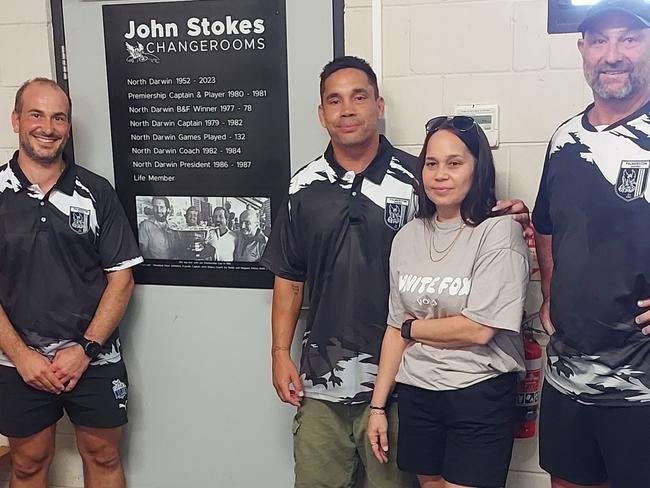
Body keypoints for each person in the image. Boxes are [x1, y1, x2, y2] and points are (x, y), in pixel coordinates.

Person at [261, 56, 529, 488]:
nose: (347, 109)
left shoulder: (417, 179)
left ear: (379, 106)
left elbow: (467, 222)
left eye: (359, 97)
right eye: (335, 100)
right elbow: (290, 277)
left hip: (405, 384)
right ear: (321, 113)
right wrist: (278, 353)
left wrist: (512, 212)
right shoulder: (302, 186)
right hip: (322, 380)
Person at [367, 116, 529, 488]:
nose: (440, 174)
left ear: (478, 168)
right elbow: (394, 329)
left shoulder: (498, 232)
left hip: (478, 394)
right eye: (431, 163)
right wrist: (378, 407)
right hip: (418, 394)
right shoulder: (407, 236)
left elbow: (478, 329)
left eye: (455, 163)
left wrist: (414, 328)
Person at [0, 78, 142, 488]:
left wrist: (84, 350)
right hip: (16, 362)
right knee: (27, 464)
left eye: (59, 117)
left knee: (103, 454)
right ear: (16, 121)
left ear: (69, 126)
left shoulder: (96, 192)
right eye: (37, 115)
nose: (48, 127)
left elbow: (122, 279)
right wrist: (23, 356)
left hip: (93, 358)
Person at [532, 2, 650, 487]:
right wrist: (549, 295)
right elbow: (546, 224)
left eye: (629, 38)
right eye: (599, 41)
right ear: (583, 51)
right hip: (567, 377)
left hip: (641, 389)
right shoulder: (564, 138)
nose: (613, 54)